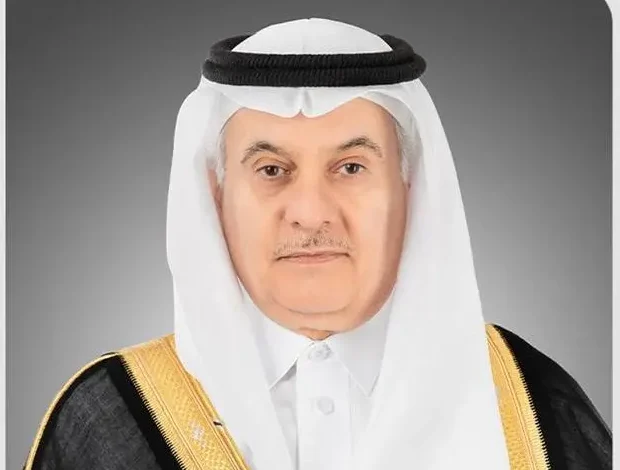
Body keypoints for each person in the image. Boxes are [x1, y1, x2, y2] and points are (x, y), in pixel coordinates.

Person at [23, 18, 611, 470]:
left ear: (410, 189)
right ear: (216, 196)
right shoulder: (111, 416)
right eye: (271, 170)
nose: (309, 213)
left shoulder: (532, 404)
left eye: (351, 167)